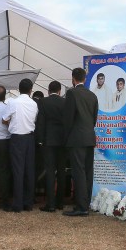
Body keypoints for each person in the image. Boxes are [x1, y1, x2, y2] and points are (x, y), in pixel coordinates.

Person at [63, 67, 98, 217]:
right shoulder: (92, 95)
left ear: (73, 79)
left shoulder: (71, 93)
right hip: (89, 137)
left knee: (78, 172)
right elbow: (94, 117)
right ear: (85, 78)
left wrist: (66, 136)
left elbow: (68, 118)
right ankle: (86, 203)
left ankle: (81, 207)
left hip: (76, 138)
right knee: (88, 172)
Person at [3, 78, 39, 212]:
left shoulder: (13, 102)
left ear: (18, 89)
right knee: (29, 170)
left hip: (17, 138)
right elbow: (33, 119)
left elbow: (4, 119)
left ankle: (17, 204)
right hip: (30, 138)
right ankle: (28, 203)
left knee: (18, 170)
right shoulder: (34, 104)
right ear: (31, 90)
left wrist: (12, 123)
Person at [36, 80, 67, 211]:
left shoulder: (43, 102)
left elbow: (41, 121)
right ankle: (60, 202)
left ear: (48, 91)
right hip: (62, 141)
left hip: (49, 140)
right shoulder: (65, 102)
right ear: (60, 91)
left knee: (49, 171)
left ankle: (51, 204)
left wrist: (40, 139)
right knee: (61, 171)